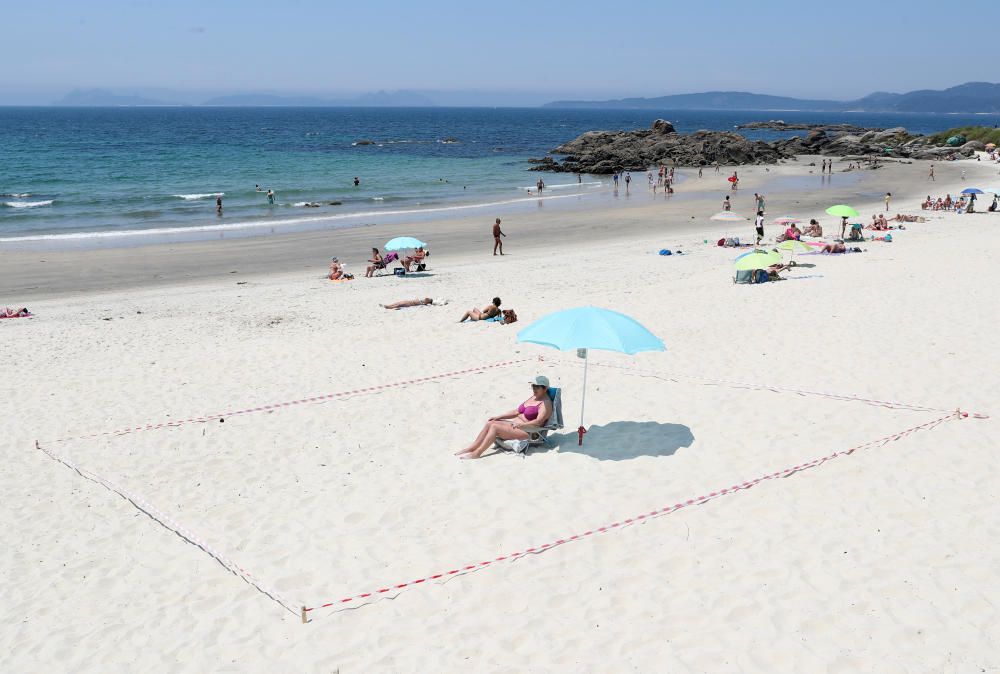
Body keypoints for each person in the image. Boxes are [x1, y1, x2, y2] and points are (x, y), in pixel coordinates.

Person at [455, 376, 553, 459]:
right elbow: (516, 412)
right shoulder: (534, 397)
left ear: (545, 389)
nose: (534, 388)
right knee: (491, 422)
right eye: (533, 386)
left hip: (529, 432)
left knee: (495, 427)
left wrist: (522, 424)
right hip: (517, 426)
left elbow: (539, 421)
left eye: (537, 387)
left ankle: (477, 453)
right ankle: (472, 447)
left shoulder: (545, 403)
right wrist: (498, 417)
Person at [381, 297, 447, 310]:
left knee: (399, 304)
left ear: (428, 302)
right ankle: (388, 305)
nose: (427, 298)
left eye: (428, 299)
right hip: (408, 301)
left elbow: (431, 303)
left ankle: (389, 307)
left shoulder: (424, 303)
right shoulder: (423, 300)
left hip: (409, 304)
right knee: (398, 302)